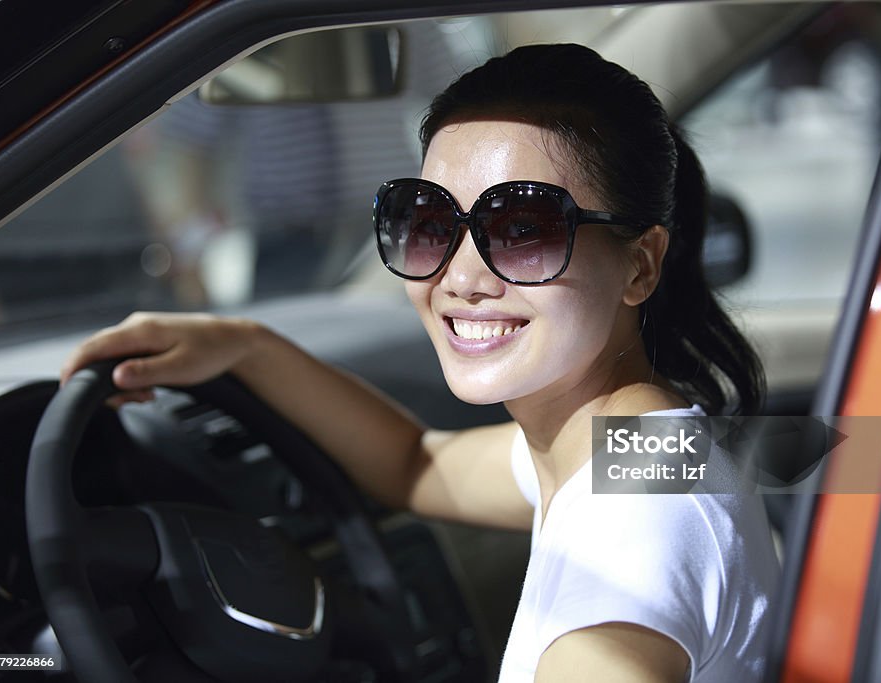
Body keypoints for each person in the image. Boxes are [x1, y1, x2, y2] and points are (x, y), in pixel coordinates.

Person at [62, 44, 779, 682]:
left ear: (640, 265)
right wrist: (247, 345)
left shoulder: (636, 520)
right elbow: (413, 463)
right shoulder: (627, 445)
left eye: (523, 229)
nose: (460, 277)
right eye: (430, 223)